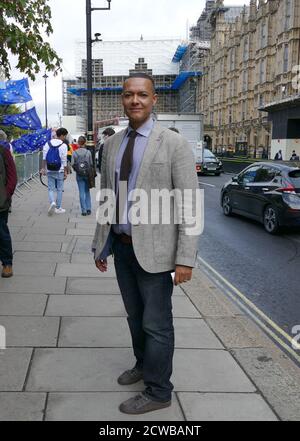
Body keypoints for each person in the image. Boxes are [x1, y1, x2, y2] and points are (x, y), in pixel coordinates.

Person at [92, 73, 199, 415]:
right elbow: (108, 195)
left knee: (156, 323)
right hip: (122, 248)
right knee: (135, 317)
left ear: (155, 100)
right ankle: (143, 365)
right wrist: (102, 243)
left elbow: (190, 204)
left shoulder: (173, 143)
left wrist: (186, 259)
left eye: (142, 95)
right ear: (122, 100)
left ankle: (159, 390)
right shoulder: (112, 144)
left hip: (157, 253)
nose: (134, 100)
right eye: (128, 95)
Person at [0, 138, 17, 277]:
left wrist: (6, 194)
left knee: (1, 233)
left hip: (0, 200)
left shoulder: (4, 151)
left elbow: (12, 176)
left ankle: (7, 263)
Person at [41, 127, 68, 215]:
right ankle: (58, 207)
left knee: (50, 189)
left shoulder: (47, 144)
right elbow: (64, 160)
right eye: (65, 136)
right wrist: (65, 171)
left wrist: (43, 168)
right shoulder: (63, 145)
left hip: (49, 169)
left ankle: (52, 202)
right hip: (59, 169)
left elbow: (44, 158)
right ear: (63, 135)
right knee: (59, 189)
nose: (65, 138)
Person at [72, 135, 93, 216]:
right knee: (87, 191)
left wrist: (78, 170)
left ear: (78, 143)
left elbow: (73, 164)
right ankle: (88, 209)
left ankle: (83, 210)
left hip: (79, 175)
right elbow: (91, 164)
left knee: (81, 192)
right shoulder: (88, 152)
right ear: (85, 143)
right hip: (87, 174)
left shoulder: (74, 153)